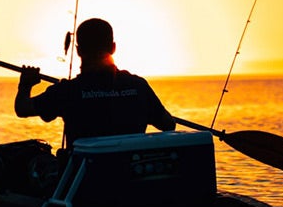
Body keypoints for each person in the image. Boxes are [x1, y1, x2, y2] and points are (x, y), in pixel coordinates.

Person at [15, 17, 176, 143]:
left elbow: (22, 108)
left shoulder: (67, 91)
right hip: (130, 180)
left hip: (83, 182)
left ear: (78, 51)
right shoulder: (139, 86)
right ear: (113, 48)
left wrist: (26, 84)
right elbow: (168, 124)